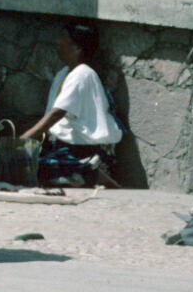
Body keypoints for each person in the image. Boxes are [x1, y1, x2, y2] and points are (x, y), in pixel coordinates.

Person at [20, 22, 122, 187]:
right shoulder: (64, 73)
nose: (58, 43)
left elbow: (57, 113)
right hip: (62, 146)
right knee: (27, 168)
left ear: (77, 48)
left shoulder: (82, 74)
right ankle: (83, 172)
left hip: (82, 148)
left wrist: (24, 139)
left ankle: (90, 172)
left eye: (63, 39)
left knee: (42, 173)